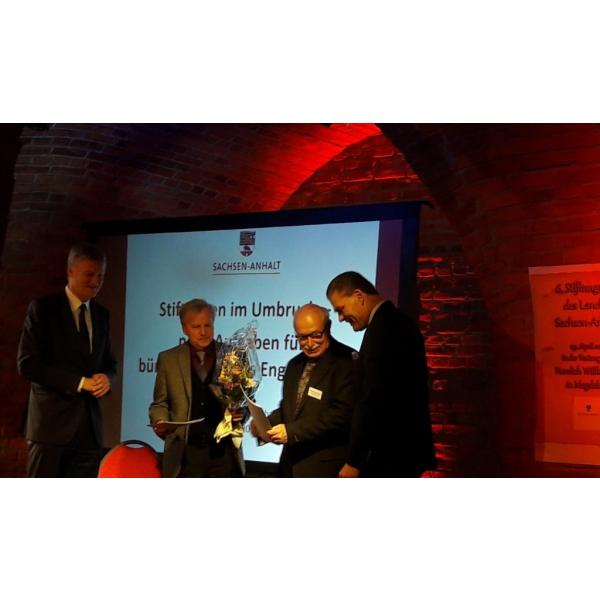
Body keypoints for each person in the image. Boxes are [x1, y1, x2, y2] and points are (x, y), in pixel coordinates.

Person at [17, 243, 117, 477]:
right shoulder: (43, 309)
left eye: (101, 276)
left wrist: (107, 378)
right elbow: (27, 364)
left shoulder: (102, 315)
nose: (96, 282)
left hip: (90, 431)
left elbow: (110, 363)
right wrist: (79, 383)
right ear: (70, 271)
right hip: (50, 429)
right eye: (89, 274)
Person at [326, 271, 436, 477]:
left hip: (390, 458)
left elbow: (373, 398)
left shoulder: (383, 329)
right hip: (402, 455)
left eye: (341, 309)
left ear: (359, 296)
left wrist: (354, 461)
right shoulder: (395, 322)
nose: (340, 318)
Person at [251, 303, 355, 477]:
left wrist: (292, 432)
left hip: (325, 467)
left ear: (328, 328)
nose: (310, 344)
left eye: (316, 335)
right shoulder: (294, 364)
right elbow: (289, 409)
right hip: (290, 466)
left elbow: (341, 415)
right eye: (302, 338)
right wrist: (265, 425)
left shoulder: (346, 362)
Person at [149, 298, 245, 477]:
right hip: (185, 455)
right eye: (196, 326)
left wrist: (241, 413)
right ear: (184, 329)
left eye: (207, 325)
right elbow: (159, 403)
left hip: (223, 455)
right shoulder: (169, 359)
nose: (203, 332)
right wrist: (160, 420)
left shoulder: (232, 356)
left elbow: (245, 400)